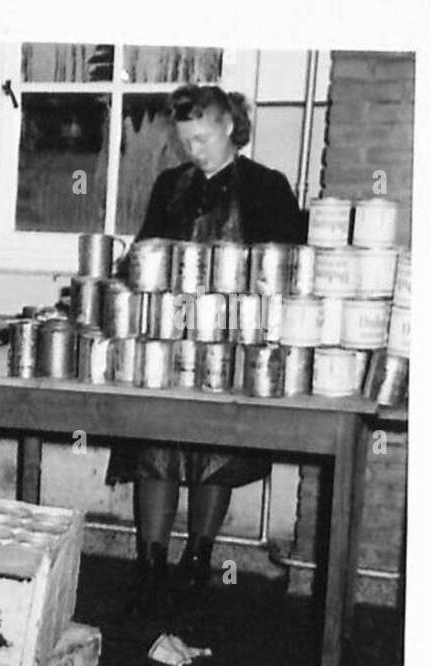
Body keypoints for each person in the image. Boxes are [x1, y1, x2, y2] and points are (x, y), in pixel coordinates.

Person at [110, 84, 306, 611]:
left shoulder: (267, 187)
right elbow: (145, 252)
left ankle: (198, 558)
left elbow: (291, 268)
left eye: (200, 138)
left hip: (233, 342)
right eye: (185, 140)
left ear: (229, 127)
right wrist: (115, 283)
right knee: (156, 447)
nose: (191, 150)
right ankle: (150, 562)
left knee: (212, 452)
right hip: (167, 340)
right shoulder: (171, 185)